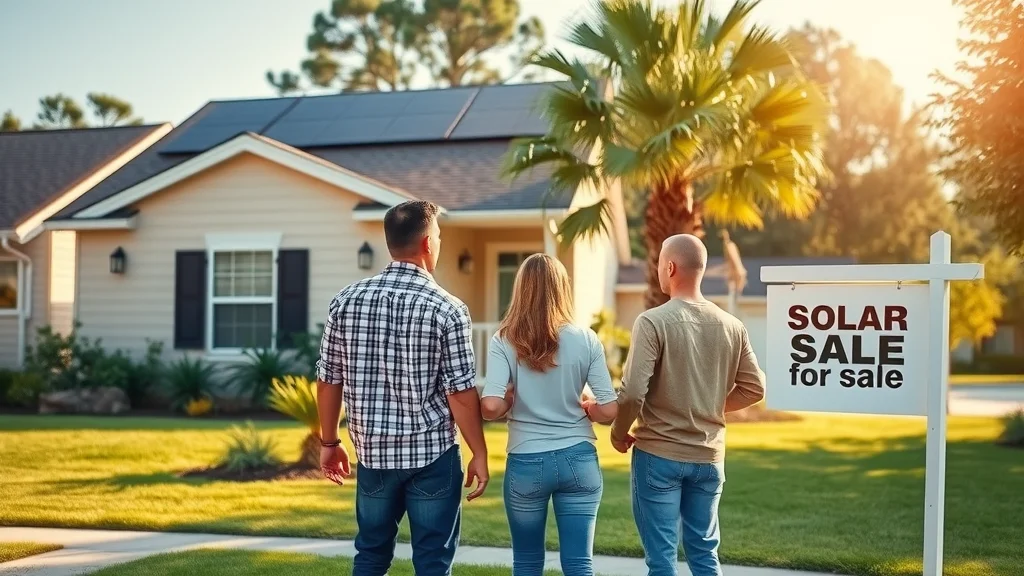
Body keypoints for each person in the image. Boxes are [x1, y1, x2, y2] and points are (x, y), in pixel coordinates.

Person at [315, 200, 489, 576]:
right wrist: (479, 451)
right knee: (432, 561)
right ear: (427, 243)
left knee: (371, 555)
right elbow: (460, 393)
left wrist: (329, 443)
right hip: (433, 456)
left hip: (374, 457)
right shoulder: (448, 309)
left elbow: (329, 378)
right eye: (439, 235)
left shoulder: (345, 302)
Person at [610, 234, 766, 576]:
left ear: (670, 267)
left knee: (662, 559)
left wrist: (618, 432)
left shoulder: (652, 321)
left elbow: (634, 392)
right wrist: (707, 404)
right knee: (705, 554)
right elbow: (756, 388)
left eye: (659, 265)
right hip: (709, 460)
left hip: (659, 456)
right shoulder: (732, 325)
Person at [480, 253, 619, 576]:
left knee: (527, 563)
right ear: (562, 289)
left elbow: (489, 406)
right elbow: (610, 409)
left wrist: (510, 400)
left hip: (527, 461)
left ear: (521, 289)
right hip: (579, 459)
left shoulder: (505, 339)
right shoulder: (586, 338)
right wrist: (588, 408)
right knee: (579, 564)